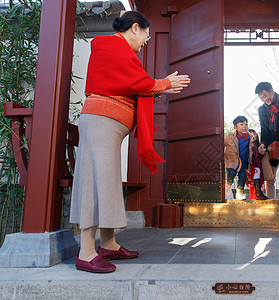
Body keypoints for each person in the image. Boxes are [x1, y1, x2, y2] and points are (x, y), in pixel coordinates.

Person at [70, 11, 190, 273]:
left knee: (108, 181)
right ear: (135, 28)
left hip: (109, 125)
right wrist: (162, 83)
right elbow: (135, 82)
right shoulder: (110, 45)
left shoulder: (120, 51)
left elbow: (134, 85)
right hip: (102, 121)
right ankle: (86, 251)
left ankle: (109, 243)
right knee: (93, 181)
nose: (145, 41)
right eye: (146, 35)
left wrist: (160, 86)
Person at [255, 82, 279, 199]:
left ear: (272, 91)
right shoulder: (262, 110)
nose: (264, 99)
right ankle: (270, 205)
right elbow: (264, 129)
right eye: (261, 98)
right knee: (270, 178)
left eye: (265, 96)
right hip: (271, 147)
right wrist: (262, 144)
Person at [224, 116, 253, 200]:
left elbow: (254, 146)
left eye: (246, 124)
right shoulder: (230, 136)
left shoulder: (250, 137)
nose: (245, 126)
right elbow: (221, 143)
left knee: (243, 176)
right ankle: (228, 186)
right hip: (232, 160)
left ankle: (239, 193)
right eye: (241, 124)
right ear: (235, 127)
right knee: (231, 173)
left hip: (242, 161)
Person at [248, 129, 268, 200]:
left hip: (258, 165)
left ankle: (258, 194)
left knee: (257, 177)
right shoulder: (246, 145)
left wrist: (262, 151)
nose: (253, 135)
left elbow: (262, 155)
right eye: (251, 134)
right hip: (250, 166)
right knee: (254, 178)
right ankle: (258, 194)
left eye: (254, 134)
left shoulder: (258, 146)